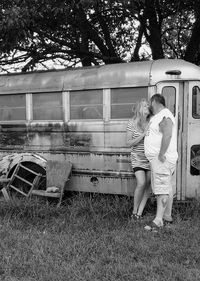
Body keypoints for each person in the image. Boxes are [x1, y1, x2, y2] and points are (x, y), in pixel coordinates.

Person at [144, 94, 178, 231]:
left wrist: (161, 154)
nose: (149, 106)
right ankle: (167, 216)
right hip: (159, 159)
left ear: (154, 101)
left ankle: (158, 221)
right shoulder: (159, 116)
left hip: (162, 159)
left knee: (161, 189)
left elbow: (168, 134)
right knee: (167, 187)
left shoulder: (165, 114)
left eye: (150, 103)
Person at [126, 99, 151, 220]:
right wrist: (143, 135)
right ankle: (134, 211)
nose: (148, 107)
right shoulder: (132, 123)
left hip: (150, 159)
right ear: (140, 109)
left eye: (148, 106)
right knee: (141, 183)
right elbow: (128, 143)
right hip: (137, 158)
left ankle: (139, 214)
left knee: (148, 186)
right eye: (145, 106)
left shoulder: (151, 122)